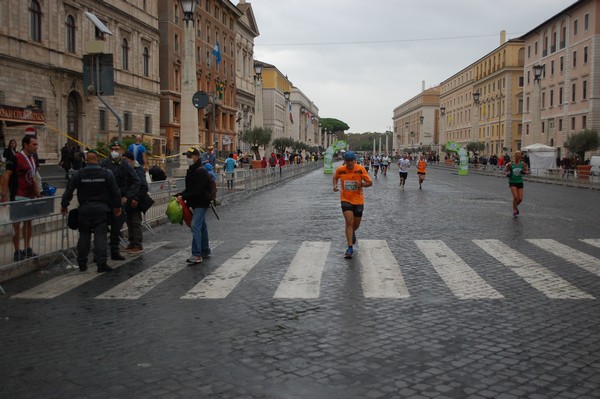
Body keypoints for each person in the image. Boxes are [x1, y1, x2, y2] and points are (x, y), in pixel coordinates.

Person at [61, 150, 122, 272]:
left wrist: (64, 205)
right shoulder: (107, 173)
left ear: (86, 160)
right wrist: (117, 206)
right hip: (101, 209)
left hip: (85, 209)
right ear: (98, 159)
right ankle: (101, 263)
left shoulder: (79, 174)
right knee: (100, 236)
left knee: (84, 236)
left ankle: (82, 263)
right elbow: (115, 192)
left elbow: (69, 190)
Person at [1, 135, 41, 261]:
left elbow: (34, 175)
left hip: (30, 195)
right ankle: (17, 250)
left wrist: (37, 192)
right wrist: (4, 195)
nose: (36, 147)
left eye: (37, 144)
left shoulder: (34, 157)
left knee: (29, 223)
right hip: (18, 195)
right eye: (34, 144)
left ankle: (27, 248)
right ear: (25, 144)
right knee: (17, 225)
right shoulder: (15, 157)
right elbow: (6, 176)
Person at [100, 141, 141, 260]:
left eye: (117, 149)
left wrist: (127, 197)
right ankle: (100, 254)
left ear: (121, 151)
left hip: (119, 200)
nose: (114, 151)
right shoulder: (104, 163)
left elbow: (136, 181)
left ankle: (114, 251)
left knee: (116, 228)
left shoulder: (125, 165)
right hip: (105, 200)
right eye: (112, 148)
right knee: (101, 228)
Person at [333, 151, 372, 259]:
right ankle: (350, 248)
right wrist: (335, 186)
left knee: (356, 224)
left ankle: (352, 232)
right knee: (349, 222)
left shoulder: (360, 169)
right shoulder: (340, 170)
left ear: (354, 160)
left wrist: (361, 184)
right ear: (345, 161)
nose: (349, 163)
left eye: (351, 161)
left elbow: (370, 182)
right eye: (347, 161)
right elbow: (335, 177)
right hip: (345, 199)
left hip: (358, 200)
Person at [178, 147, 213, 264]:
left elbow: (198, 190)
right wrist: (180, 195)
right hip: (196, 202)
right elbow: (190, 189)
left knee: (195, 226)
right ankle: (205, 250)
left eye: (190, 156)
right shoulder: (192, 169)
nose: (188, 158)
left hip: (201, 202)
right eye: (187, 156)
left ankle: (197, 255)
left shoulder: (201, 171)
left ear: (197, 157)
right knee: (202, 226)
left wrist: (184, 197)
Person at [122, 151, 148, 254]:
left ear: (131, 160)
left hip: (135, 201)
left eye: (125, 160)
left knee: (136, 222)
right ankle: (132, 242)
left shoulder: (138, 169)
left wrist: (136, 199)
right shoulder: (126, 170)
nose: (124, 162)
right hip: (128, 200)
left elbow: (143, 186)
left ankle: (138, 244)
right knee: (129, 222)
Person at [505, 150, 529, 218]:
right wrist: (508, 174)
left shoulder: (523, 164)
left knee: (520, 199)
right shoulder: (510, 164)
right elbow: (506, 171)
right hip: (512, 181)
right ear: (514, 156)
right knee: (515, 197)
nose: (518, 157)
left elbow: (527, 171)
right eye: (517, 156)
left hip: (520, 182)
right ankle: (515, 210)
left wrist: (524, 172)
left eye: (519, 156)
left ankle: (515, 207)